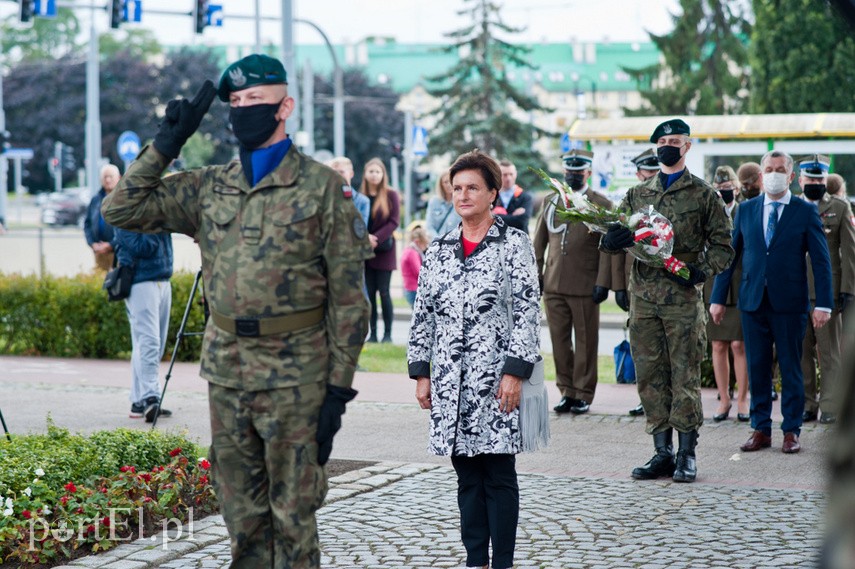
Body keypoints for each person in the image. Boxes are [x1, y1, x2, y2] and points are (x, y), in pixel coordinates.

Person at [102, 54, 372, 568]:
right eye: (237, 102)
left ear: (284, 107)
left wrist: (337, 391)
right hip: (228, 373)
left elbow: (348, 301)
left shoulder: (321, 189)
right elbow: (122, 208)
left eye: (257, 101)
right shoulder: (209, 186)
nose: (244, 110)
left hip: (298, 379)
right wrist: (167, 144)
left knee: (293, 518)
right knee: (241, 518)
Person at [408, 149, 540, 569]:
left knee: (498, 475)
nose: (463, 195)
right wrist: (421, 373)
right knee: (466, 476)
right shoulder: (441, 249)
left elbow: (527, 311)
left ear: (492, 194)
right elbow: (423, 314)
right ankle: (473, 560)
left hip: (498, 381)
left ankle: (502, 560)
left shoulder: (514, 244)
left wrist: (515, 372)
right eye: (457, 188)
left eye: (472, 188)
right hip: (450, 382)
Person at [601, 119, 734, 483]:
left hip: (682, 300)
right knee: (650, 376)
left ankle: (687, 453)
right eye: (662, 142)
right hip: (644, 300)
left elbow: (724, 247)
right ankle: (662, 451)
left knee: (684, 375)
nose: (667, 147)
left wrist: (700, 271)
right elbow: (618, 230)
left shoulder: (704, 195)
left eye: (674, 141)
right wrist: (611, 241)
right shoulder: (637, 194)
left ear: (687, 146)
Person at [710, 149, 833, 455]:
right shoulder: (747, 210)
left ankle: (791, 430)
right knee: (757, 365)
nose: (774, 173)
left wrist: (824, 304)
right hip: (752, 301)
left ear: (791, 177)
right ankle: (760, 428)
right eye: (769, 168)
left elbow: (821, 261)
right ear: (761, 174)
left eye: (780, 169)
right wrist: (717, 299)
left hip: (790, 302)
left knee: (791, 366)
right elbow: (730, 256)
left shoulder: (804, 212)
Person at [533, 148, 621, 415]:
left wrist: (603, 283)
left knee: (585, 342)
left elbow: (608, 248)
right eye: (569, 171)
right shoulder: (551, 201)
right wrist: (536, 276)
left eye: (578, 170)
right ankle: (567, 391)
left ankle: (584, 393)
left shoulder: (601, 204)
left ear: (589, 172)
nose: (572, 175)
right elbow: (539, 242)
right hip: (553, 284)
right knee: (559, 342)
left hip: (585, 283)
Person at [797, 155, 855, 425]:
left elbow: (849, 253)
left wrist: (848, 290)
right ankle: (807, 404)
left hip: (826, 293)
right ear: (800, 180)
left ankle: (830, 404)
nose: (815, 183)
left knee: (829, 352)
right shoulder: (791, 207)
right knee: (801, 352)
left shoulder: (840, 207)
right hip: (795, 291)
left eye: (820, 178)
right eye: (810, 178)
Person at [704, 165, 750, 422]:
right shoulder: (710, 212)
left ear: (737, 188)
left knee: (739, 344)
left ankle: (743, 399)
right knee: (719, 345)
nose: (724, 193)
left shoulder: (745, 209)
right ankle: (724, 399)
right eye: (719, 189)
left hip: (742, 283)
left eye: (728, 189)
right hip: (716, 284)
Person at [114, 228, 174, 422]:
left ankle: (139, 401)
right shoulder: (126, 210)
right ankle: (151, 397)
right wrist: (156, 222)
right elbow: (144, 247)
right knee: (149, 342)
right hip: (141, 280)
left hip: (162, 277)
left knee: (147, 343)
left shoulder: (153, 206)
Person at [626, 148, 659, 417]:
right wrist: (615, 285)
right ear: (639, 173)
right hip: (635, 284)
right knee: (642, 349)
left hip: (666, 285)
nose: (653, 175)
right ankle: (644, 398)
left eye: (656, 170)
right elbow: (615, 244)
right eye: (648, 171)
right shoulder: (631, 200)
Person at [360, 157, 400, 343]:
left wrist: (376, 238)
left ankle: (388, 334)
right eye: (371, 171)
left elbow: (394, 221)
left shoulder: (391, 195)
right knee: (369, 293)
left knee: (384, 292)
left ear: (383, 174)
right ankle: (373, 334)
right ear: (365, 174)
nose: (374, 175)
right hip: (365, 251)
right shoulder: (360, 196)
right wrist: (365, 238)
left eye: (378, 171)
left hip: (384, 250)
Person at [84, 164, 120, 272]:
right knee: (100, 283)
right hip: (99, 252)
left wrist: (111, 245)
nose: (108, 180)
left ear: (118, 178)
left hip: (117, 252)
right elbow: (87, 224)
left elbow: (128, 228)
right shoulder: (96, 200)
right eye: (105, 177)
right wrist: (92, 243)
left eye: (111, 176)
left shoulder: (123, 199)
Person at [493, 159, 533, 233]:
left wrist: (495, 216)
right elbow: (484, 221)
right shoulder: (491, 197)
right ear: (498, 175)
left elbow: (521, 222)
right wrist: (513, 216)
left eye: (511, 174)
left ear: (516, 174)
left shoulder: (525, 197)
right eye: (504, 175)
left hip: (520, 242)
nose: (508, 178)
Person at [328, 156, 370, 227]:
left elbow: (360, 229)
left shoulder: (362, 201)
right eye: (334, 172)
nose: (337, 175)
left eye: (341, 172)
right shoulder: (324, 198)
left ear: (351, 174)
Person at [425, 168, 462, 240]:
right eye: (445, 182)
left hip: (457, 244)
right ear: (441, 185)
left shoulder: (461, 201)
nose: (449, 185)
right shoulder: (434, 202)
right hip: (438, 244)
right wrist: (438, 241)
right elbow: (429, 227)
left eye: (451, 181)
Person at [400, 222, 429, 307]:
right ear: (417, 241)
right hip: (414, 289)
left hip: (409, 289)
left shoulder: (408, 250)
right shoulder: (412, 253)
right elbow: (419, 272)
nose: (425, 246)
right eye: (424, 243)